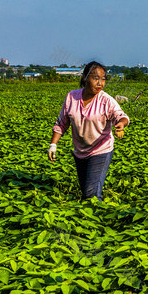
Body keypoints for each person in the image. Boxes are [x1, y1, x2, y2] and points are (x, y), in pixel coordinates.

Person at [47, 61, 130, 201]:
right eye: (95, 78)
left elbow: (121, 116)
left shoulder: (106, 100)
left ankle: (101, 219)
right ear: (85, 78)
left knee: (91, 195)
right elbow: (61, 123)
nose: (100, 83)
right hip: (80, 152)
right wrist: (53, 145)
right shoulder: (71, 97)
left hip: (101, 150)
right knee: (86, 191)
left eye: (103, 79)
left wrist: (121, 124)